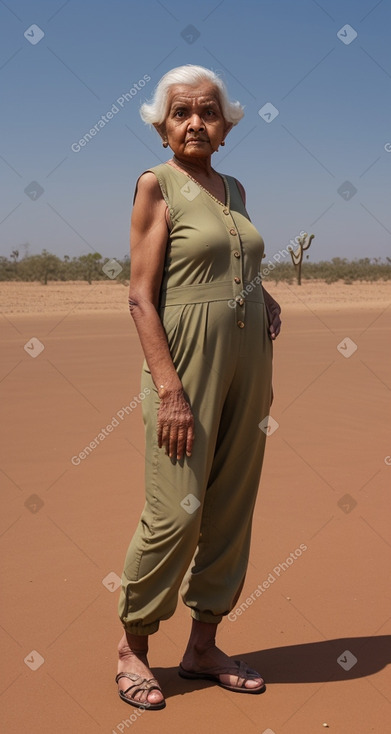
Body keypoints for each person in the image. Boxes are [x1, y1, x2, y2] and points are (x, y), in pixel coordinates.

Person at [115, 64, 282, 710]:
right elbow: (139, 297)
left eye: (207, 112)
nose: (194, 123)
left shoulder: (233, 189)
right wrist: (170, 390)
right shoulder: (156, 186)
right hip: (182, 368)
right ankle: (132, 646)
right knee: (172, 514)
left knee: (230, 507)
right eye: (180, 112)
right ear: (161, 127)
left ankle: (203, 645)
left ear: (225, 124)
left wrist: (261, 294)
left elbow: (227, 256)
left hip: (248, 367)